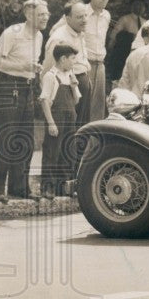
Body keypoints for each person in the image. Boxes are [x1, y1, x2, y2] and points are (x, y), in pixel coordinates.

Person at [0, 0, 49, 201]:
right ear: (28, 14)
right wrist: (22, 68)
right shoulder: (12, 33)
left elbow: (29, 64)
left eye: (46, 14)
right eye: (41, 14)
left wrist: (34, 70)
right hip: (7, 86)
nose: (46, 17)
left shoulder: (40, 36)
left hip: (26, 88)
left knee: (25, 139)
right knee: (4, 137)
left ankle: (19, 187)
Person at [38, 43, 82, 198]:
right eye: (72, 59)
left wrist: (74, 86)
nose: (74, 62)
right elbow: (44, 100)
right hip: (56, 118)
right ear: (63, 58)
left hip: (70, 118)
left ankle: (63, 187)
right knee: (52, 152)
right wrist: (51, 123)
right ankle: (47, 188)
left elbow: (76, 101)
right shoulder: (50, 76)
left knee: (67, 151)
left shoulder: (70, 76)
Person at [43, 0, 92, 126]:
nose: (84, 19)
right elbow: (48, 70)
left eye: (85, 15)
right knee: (66, 128)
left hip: (80, 83)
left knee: (82, 125)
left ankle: (79, 146)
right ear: (67, 18)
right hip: (66, 88)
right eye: (79, 17)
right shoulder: (59, 38)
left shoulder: (79, 32)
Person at [105, 0, 146, 87]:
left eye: (141, 6)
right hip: (125, 52)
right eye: (137, 5)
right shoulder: (125, 19)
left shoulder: (145, 22)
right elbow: (114, 35)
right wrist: (110, 49)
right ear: (132, 6)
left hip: (140, 53)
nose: (139, 7)